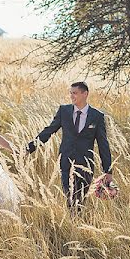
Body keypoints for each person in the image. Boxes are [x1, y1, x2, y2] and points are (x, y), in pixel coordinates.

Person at [25, 82, 113, 212]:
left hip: (86, 165)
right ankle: (73, 222)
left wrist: (108, 170)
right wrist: (29, 148)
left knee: (81, 199)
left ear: (85, 94)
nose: (71, 96)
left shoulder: (97, 116)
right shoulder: (64, 111)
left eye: (75, 93)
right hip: (66, 162)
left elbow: (103, 144)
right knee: (69, 196)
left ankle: (78, 223)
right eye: (70, 93)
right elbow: (49, 131)